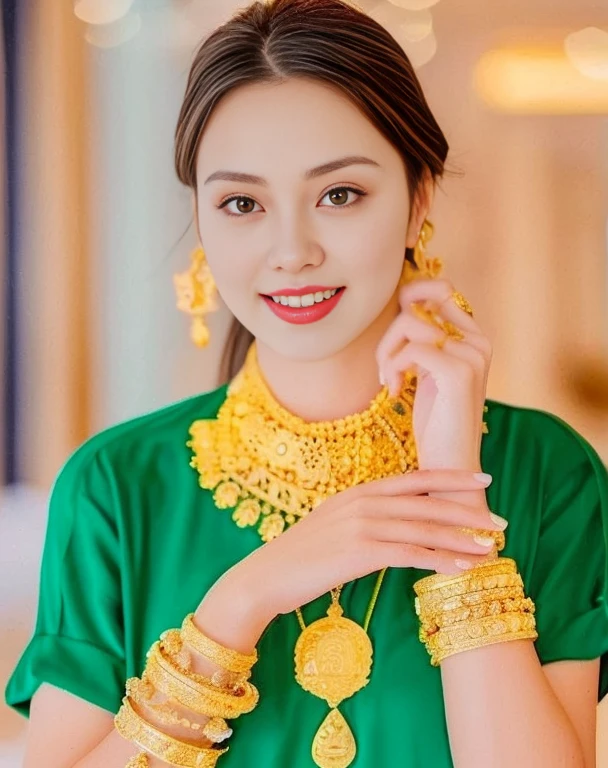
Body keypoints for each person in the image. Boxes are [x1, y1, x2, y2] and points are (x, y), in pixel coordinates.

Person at [5, 1, 608, 766]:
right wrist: (238, 605)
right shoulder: (116, 488)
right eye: (242, 204)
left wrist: (455, 495)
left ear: (419, 199)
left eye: (339, 194)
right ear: (201, 219)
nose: (291, 251)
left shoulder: (546, 472)